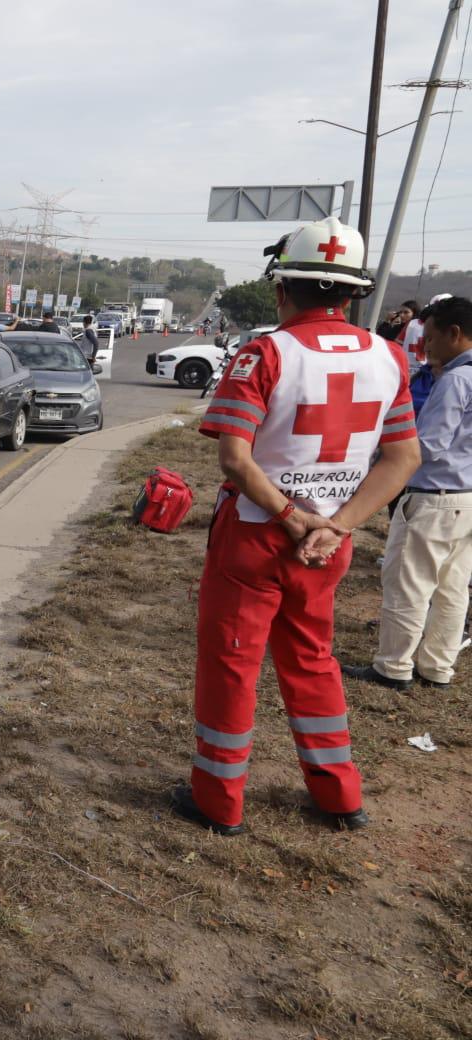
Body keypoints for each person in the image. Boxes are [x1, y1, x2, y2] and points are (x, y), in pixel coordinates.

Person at [177, 216, 419, 837]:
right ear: (351, 294)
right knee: (313, 660)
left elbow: (235, 457)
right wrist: (335, 526)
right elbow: (403, 458)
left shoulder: (264, 353)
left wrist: (290, 516)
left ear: (283, 290)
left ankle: (218, 800)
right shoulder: (391, 358)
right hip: (328, 547)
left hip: (257, 536)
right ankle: (339, 796)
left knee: (233, 664)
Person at [344, 296, 472, 691]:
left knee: (408, 583)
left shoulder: (455, 379)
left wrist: (384, 455)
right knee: (453, 588)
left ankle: (393, 666)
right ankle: (437, 667)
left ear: (454, 334)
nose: (426, 347)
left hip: (433, 496)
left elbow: (428, 445)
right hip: (467, 497)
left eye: (431, 339)